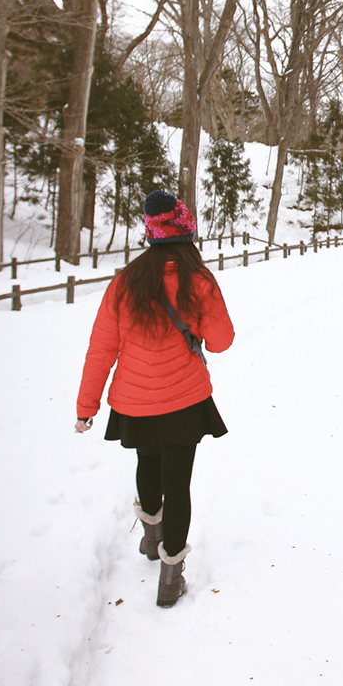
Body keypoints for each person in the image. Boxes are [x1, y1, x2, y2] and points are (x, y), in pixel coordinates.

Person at [75, 191, 234, 607]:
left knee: (147, 462)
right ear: (186, 234)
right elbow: (221, 342)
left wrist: (86, 408)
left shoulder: (125, 282)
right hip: (184, 400)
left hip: (135, 403)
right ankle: (170, 576)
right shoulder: (199, 281)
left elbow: (101, 348)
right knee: (177, 482)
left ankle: (151, 536)